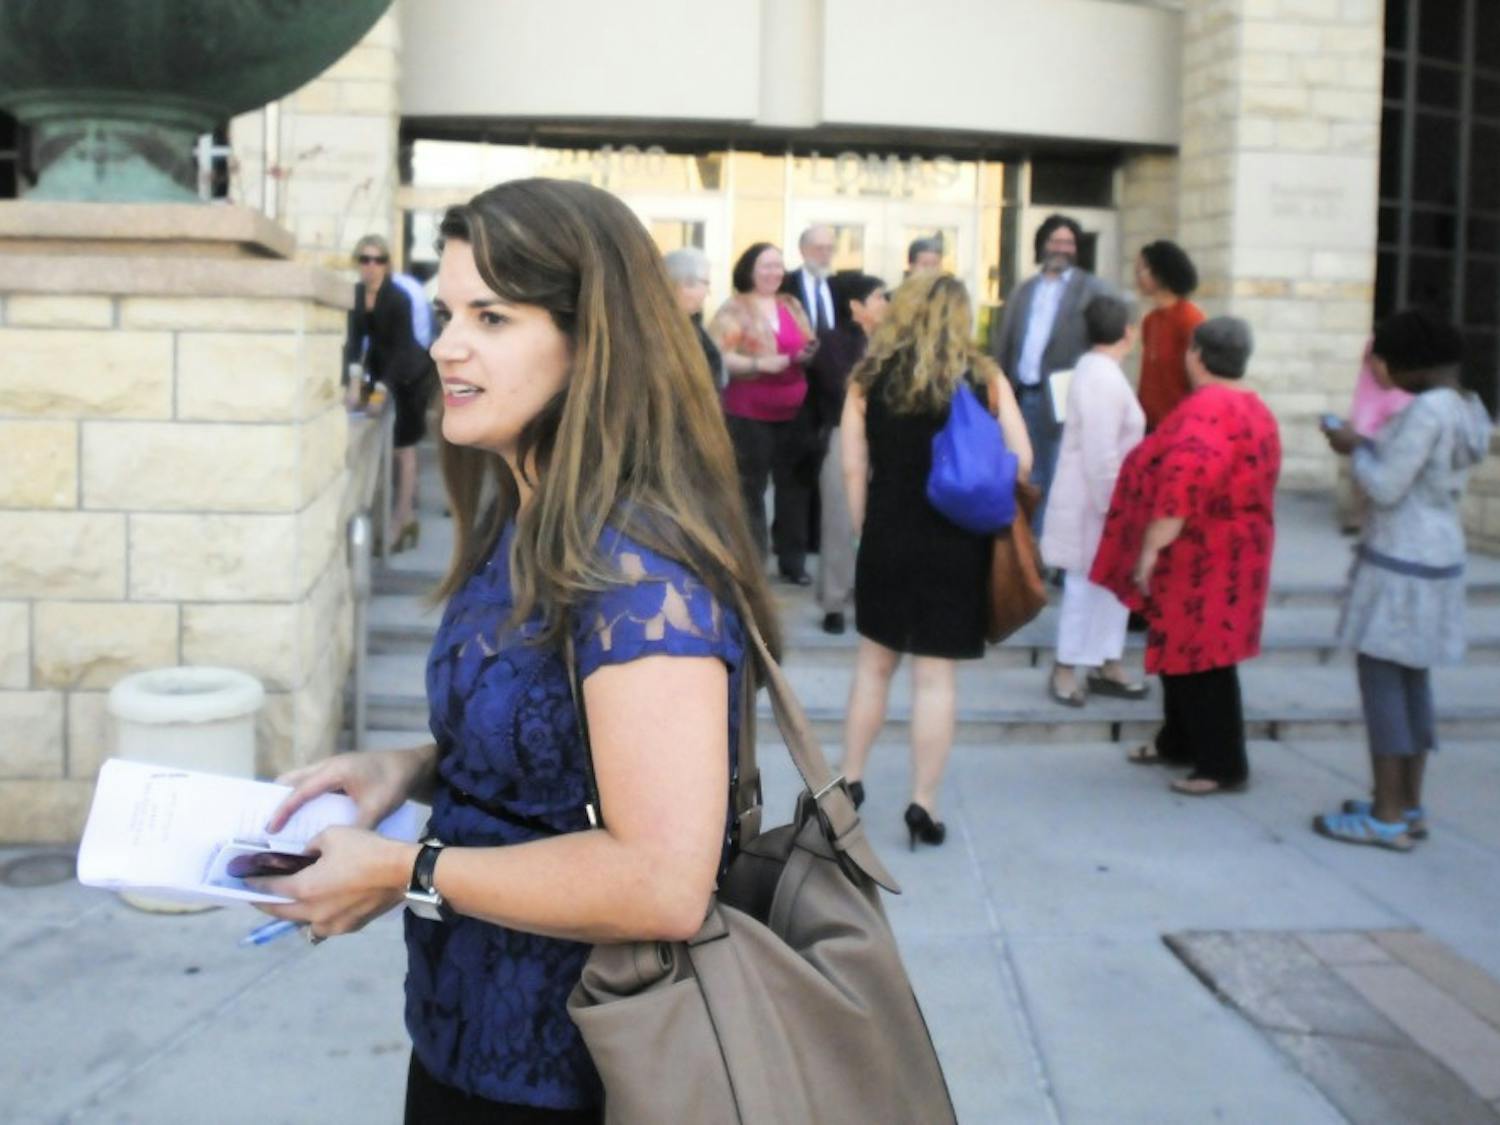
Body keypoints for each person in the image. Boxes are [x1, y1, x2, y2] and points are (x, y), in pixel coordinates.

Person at [252, 178, 780, 1123]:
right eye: (449, 309)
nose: (445, 343)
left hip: (589, 1071)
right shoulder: (526, 514)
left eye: (491, 316)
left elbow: (661, 881)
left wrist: (396, 867)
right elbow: (550, 745)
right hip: (461, 1036)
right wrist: (399, 768)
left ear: (592, 343)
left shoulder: (639, 571)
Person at [838, 274, 1032, 847]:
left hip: (888, 537)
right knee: (934, 680)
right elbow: (1022, 460)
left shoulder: (869, 378)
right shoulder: (985, 378)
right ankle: (923, 803)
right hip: (956, 541)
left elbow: (852, 469)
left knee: (873, 668)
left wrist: (861, 531)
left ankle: (848, 782)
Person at [1313, 309, 1492, 851]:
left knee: (1384, 684)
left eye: (1383, 365)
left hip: (1401, 563)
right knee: (1413, 684)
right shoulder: (1468, 406)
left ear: (1402, 363)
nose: (1380, 374)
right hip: (1439, 558)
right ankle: (1408, 804)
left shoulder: (1424, 415)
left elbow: (1387, 486)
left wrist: (1354, 447)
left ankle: (1386, 816)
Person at [1091, 317, 1281, 796]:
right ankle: (1177, 741)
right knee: (1183, 651)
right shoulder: (1252, 406)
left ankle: (1222, 764)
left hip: (1205, 554)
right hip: (1234, 550)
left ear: (1196, 355)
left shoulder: (1209, 409)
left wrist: (1150, 550)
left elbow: (1187, 480)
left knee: (1206, 660)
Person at [1039, 294, 1148, 706]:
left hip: (1104, 501)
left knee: (1111, 586)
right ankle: (1067, 666)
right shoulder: (1101, 377)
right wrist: (1115, 507)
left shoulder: (1100, 371)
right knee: (1086, 586)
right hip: (1097, 503)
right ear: (1127, 332)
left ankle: (1106, 660)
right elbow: (1102, 453)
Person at [989, 213, 1113, 536]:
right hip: (1021, 396)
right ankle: (1023, 548)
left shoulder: (1091, 289)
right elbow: (1005, 342)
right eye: (1056, 241)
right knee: (1023, 475)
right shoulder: (1024, 290)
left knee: (1057, 479)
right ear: (1043, 244)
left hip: (1062, 401)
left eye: (1068, 243)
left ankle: (1046, 553)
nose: (1062, 248)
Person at [709, 242, 819, 583]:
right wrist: (760, 363)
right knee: (750, 490)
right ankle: (752, 563)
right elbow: (717, 354)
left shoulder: (791, 304)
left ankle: (793, 562)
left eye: (778, 266)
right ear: (749, 270)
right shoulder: (734, 309)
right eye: (766, 266)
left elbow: (808, 341)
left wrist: (808, 354)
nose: (774, 273)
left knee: (794, 489)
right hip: (749, 411)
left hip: (795, 410)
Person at [345, 233, 434, 553]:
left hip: (411, 372)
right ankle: (401, 512)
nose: (371, 266)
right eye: (365, 259)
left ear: (387, 264)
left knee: (403, 448)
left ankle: (400, 521)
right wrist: (355, 383)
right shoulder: (355, 295)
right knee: (372, 429)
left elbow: (400, 350)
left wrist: (380, 391)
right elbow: (355, 343)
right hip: (381, 368)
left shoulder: (398, 298)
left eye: (378, 260)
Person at [814, 272, 887, 634]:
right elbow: (840, 388)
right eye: (878, 297)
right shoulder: (833, 342)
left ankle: (871, 593)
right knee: (840, 521)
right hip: (845, 436)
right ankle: (834, 601)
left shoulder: (892, 341)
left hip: (887, 437)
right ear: (855, 305)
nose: (885, 304)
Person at [1134, 239, 1206, 432]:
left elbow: (1200, 377)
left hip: (1179, 425)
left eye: (1142, 270)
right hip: (1149, 425)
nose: (1136, 276)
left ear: (1160, 274)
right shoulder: (1150, 320)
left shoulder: (1190, 319)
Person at [662, 246, 724, 390]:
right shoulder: (661, 329)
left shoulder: (691, 323)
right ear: (685, 284)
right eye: (705, 284)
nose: (708, 292)